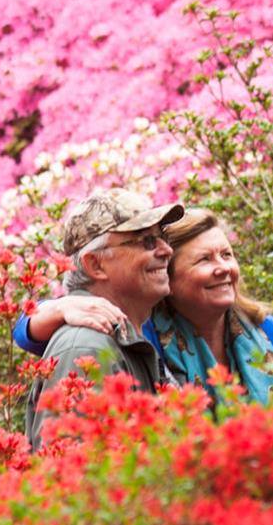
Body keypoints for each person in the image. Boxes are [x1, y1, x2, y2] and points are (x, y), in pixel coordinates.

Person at [13, 209, 273, 400]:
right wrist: (55, 308)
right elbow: (33, 336)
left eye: (227, 255)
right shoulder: (142, 339)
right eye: (204, 260)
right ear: (167, 277)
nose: (224, 268)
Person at [23, 188, 184, 452]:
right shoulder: (87, 347)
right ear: (96, 265)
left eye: (162, 237)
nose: (166, 250)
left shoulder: (118, 335)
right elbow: (72, 479)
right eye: (146, 241)